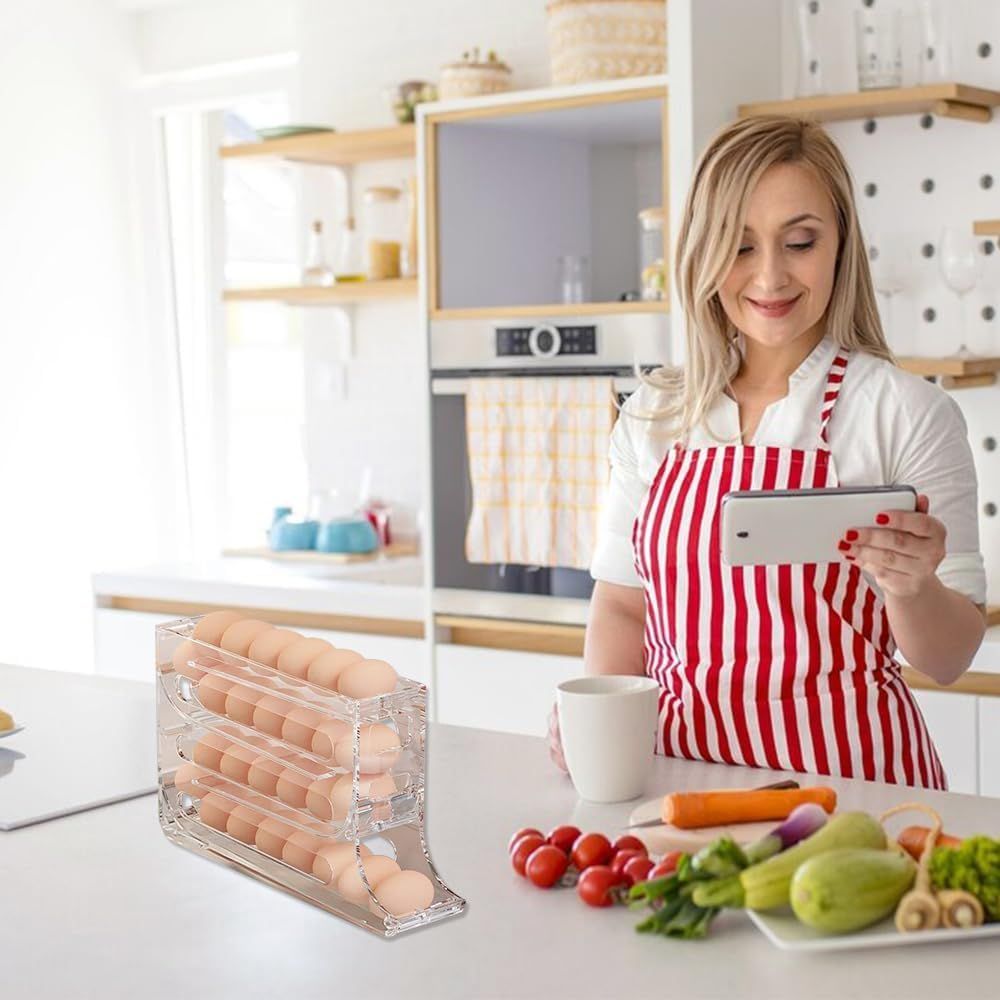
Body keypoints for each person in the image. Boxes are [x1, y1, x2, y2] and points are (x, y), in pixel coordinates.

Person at [549, 115, 987, 790]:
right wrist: (601, 718)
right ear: (702, 250)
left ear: (841, 244)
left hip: (855, 800)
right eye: (741, 245)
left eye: (801, 241)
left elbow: (949, 655)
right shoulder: (654, 414)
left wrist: (913, 587)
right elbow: (622, 607)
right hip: (678, 790)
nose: (771, 275)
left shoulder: (904, 413)